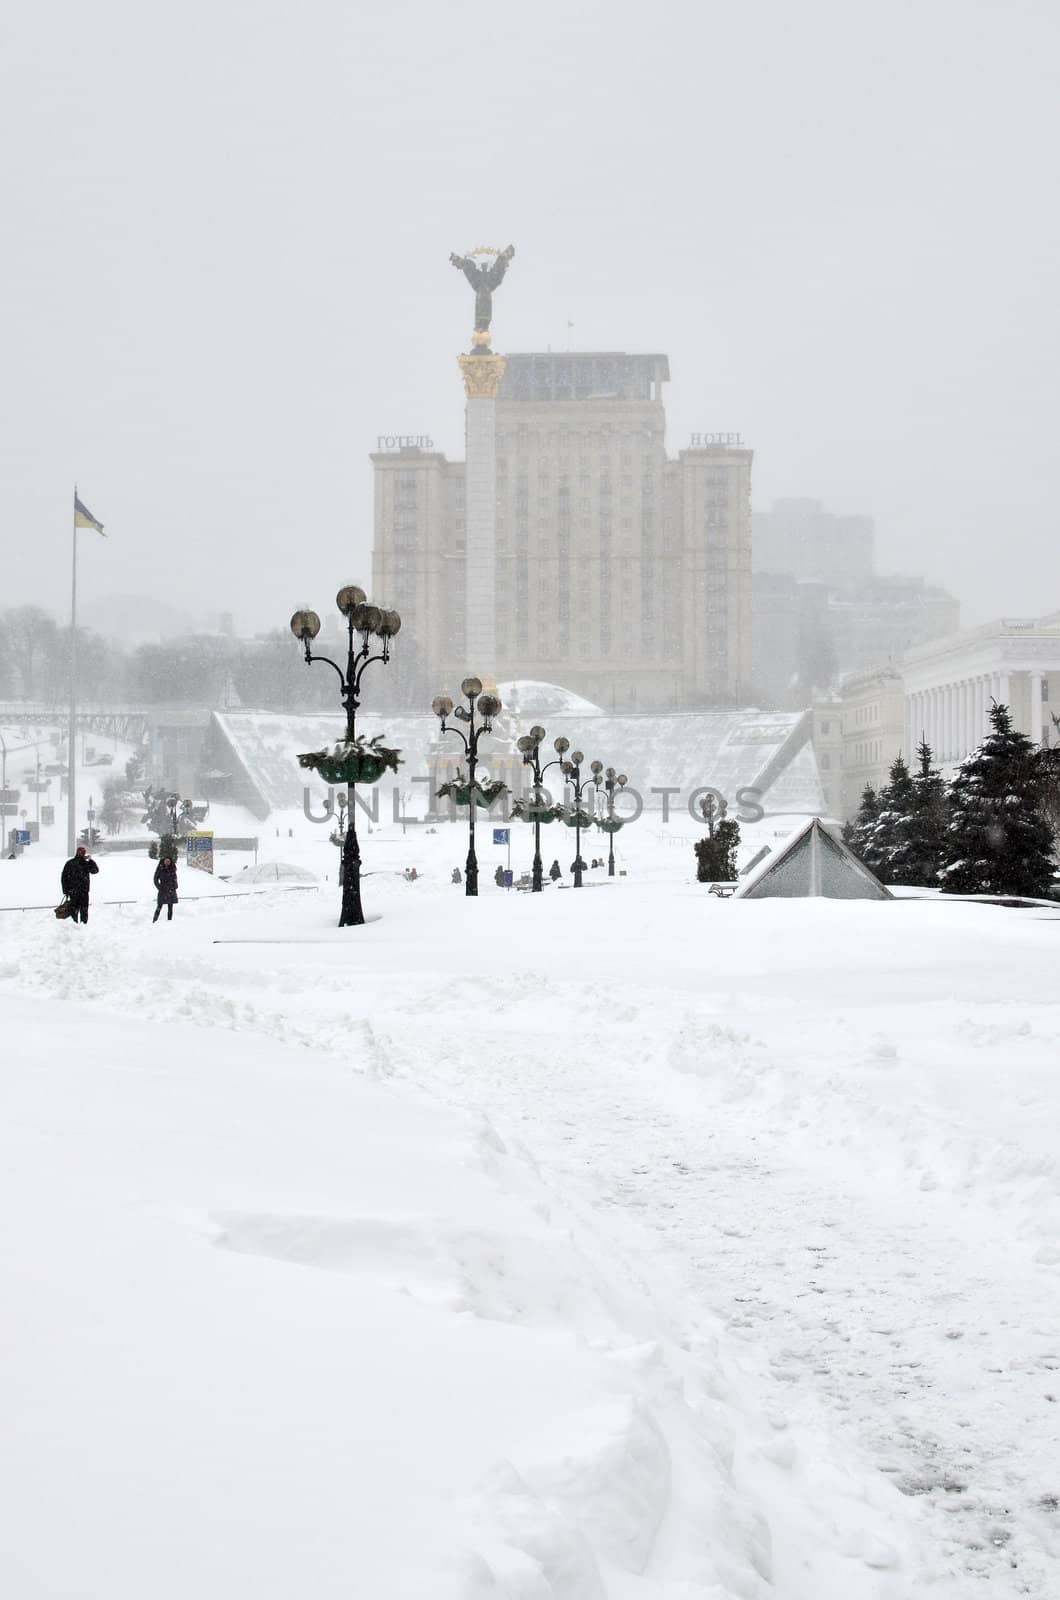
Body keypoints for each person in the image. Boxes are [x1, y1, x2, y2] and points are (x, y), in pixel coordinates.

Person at [61, 845, 99, 924]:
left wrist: (65, 890)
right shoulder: (85, 863)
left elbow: (63, 878)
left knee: (74, 910)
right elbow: (95, 870)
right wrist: (90, 860)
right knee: (84, 911)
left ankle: (74, 925)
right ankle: (83, 925)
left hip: (72, 891)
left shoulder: (70, 863)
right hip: (83, 891)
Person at [153, 855, 178, 922]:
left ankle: (169, 922)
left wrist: (175, 886)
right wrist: (159, 887)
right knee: (159, 906)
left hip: (171, 890)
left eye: (169, 861)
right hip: (163, 890)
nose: (167, 862)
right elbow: (155, 879)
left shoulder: (172, 868)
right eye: (166, 861)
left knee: (170, 908)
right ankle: (154, 921)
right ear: (163, 861)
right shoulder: (160, 868)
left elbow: (175, 878)